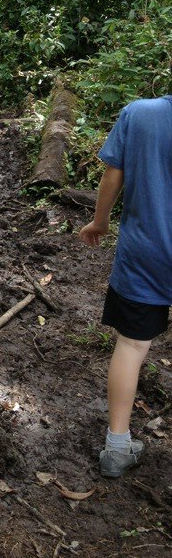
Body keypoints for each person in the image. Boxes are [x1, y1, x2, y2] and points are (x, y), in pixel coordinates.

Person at [80, 93, 172, 478]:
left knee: (132, 345)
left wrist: (99, 222)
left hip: (145, 252)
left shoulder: (141, 114)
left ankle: (117, 446)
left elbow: (113, 175)